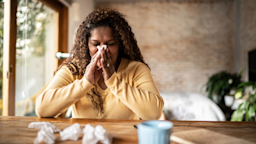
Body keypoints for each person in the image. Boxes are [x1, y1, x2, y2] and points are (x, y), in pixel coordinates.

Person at [35, 8, 164, 120]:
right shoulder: (74, 69)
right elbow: (41, 109)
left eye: (111, 43)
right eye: (96, 44)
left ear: (121, 44)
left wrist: (113, 81)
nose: (103, 50)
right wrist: (85, 82)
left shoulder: (136, 69)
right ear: (86, 45)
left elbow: (154, 114)